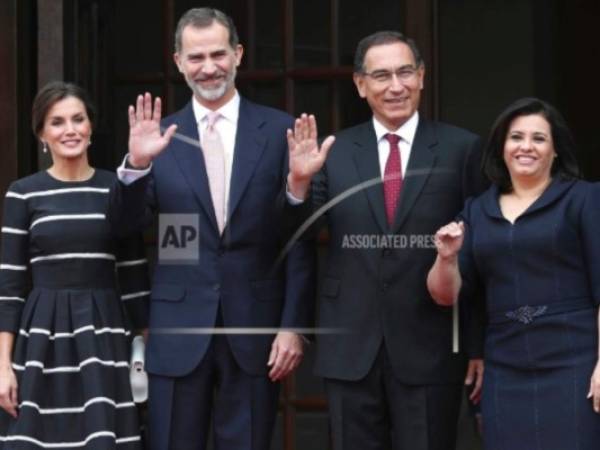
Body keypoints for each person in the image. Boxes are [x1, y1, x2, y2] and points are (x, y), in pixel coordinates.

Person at [110, 7, 315, 450]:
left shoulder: (279, 130)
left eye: (218, 54)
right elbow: (127, 227)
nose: (209, 67)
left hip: (255, 328)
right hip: (177, 327)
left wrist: (292, 325)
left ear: (238, 54)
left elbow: (297, 239)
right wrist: (137, 166)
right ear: (178, 62)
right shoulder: (158, 135)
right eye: (196, 57)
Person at [285, 31, 486, 450]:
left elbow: (482, 252)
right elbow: (299, 232)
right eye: (381, 76)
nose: (395, 86)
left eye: (405, 72)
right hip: (351, 344)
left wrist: (477, 343)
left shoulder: (461, 149)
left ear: (422, 77)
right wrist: (299, 183)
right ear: (361, 85)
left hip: (431, 346)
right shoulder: (335, 151)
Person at [427, 97, 600, 450]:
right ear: (501, 148)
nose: (526, 147)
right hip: (504, 366)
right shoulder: (476, 211)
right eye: (516, 137)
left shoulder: (585, 199)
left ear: (555, 150)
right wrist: (445, 258)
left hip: (574, 363)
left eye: (539, 138)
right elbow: (446, 295)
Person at [0, 81, 149, 448]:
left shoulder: (117, 188)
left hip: (104, 335)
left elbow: (134, 276)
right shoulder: (23, 193)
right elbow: (10, 285)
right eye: (57, 122)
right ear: (42, 134)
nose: (70, 130)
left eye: (78, 119)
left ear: (91, 127)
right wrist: (3, 365)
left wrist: (147, 349)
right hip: (41, 340)